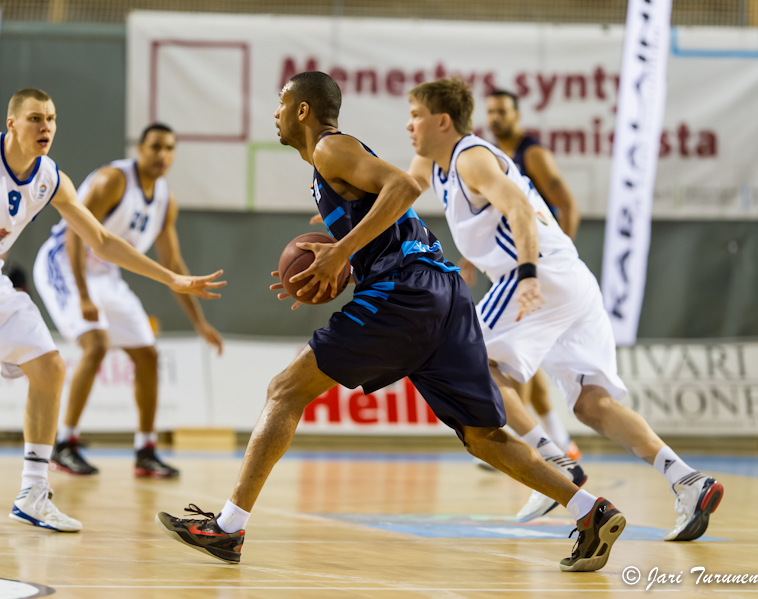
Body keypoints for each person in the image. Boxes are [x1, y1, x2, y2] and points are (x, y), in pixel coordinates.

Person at [157, 71, 625, 573]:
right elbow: (387, 213)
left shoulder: (329, 150)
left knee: (284, 390)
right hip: (445, 294)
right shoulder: (331, 167)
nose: (274, 113)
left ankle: (228, 529)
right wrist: (336, 261)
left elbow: (403, 186)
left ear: (302, 111)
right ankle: (590, 511)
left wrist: (340, 252)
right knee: (483, 436)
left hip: (408, 291)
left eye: (280, 103)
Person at [0, 22, 224, 531]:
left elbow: (102, 240)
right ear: (12, 123)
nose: (45, 125)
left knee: (51, 368)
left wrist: (171, 279)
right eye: (35, 118)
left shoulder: (52, 177)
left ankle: (33, 493)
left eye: (51, 118)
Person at [406, 77, 722, 540]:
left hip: (538, 275)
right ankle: (688, 481)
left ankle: (552, 461)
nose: (408, 126)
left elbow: (516, 207)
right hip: (573, 280)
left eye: (415, 116)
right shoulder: (433, 163)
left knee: (469, 362)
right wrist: (352, 221)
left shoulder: (469, 157)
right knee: (594, 405)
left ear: (442, 121)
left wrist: (530, 274)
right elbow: (402, 191)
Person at [33, 123, 223, 479]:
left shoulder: (165, 201)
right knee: (96, 344)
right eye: (155, 147)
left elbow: (173, 265)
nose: (162, 155)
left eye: (169, 148)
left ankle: (146, 450)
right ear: (140, 148)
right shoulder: (113, 181)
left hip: (105, 274)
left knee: (148, 354)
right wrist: (84, 295)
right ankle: (64, 443)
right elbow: (75, 233)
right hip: (64, 263)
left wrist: (199, 321)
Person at [485, 88, 581, 461]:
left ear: (517, 115)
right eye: (490, 111)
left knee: (510, 355)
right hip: (516, 267)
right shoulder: (494, 158)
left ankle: (523, 445)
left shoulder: (532, 153)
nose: (495, 117)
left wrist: (562, 258)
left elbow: (568, 205)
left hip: (539, 269)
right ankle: (560, 443)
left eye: (502, 111)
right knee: (526, 360)